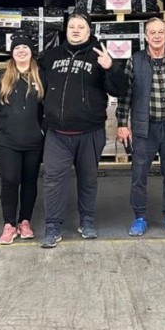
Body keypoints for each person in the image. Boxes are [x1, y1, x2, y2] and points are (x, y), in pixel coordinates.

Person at [37, 12, 127, 248]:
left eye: (81, 27)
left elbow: (120, 89)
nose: (76, 30)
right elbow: (33, 84)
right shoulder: (50, 56)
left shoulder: (100, 56)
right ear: (66, 30)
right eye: (72, 26)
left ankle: (86, 220)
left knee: (88, 180)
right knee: (53, 181)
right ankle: (52, 226)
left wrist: (111, 67)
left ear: (89, 31)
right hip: (57, 133)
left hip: (90, 132)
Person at [116, 17, 165, 237]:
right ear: (145, 36)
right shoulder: (136, 61)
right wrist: (122, 123)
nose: (157, 36)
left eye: (161, 32)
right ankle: (140, 217)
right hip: (145, 128)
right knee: (139, 174)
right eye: (152, 32)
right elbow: (125, 96)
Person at [0, 35, 45, 245]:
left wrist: (43, 131)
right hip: (7, 139)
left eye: (25, 47)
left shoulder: (40, 75)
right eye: (17, 47)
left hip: (33, 140)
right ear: (12, 52)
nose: (21, 50)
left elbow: (47, 106)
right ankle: (9, 224)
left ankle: (25, 221)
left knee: (29, 181)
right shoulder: (2, 75)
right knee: (10, 180)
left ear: (31, 51)